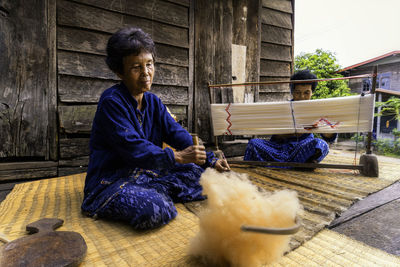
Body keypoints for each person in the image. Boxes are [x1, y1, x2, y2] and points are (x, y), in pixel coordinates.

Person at [81, 27, 230, 230]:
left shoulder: (153, 102)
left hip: (147, 174)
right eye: (136, 67)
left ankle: (154, 189)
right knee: (156, 209)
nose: (146, 73)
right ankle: (150, 194)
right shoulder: (111, 102)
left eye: (149, 64)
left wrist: (210, 160)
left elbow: (176, 133)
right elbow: (134, 148)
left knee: (203, 177)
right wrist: (177, 157)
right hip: (112, 182)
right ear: (119, 71)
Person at [243, 70, 337, 167]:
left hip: (302, 147)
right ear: (292, 92)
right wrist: (292, 132)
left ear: (312, 92)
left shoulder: (317, 109)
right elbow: (276, 135)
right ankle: (301, 163)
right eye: (298, 92)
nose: (302, 97)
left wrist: (325, 130)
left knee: (321, 145)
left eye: (306, 93)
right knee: (253, 143)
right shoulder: (284, 108)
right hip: (279, 148)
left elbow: (329, 137)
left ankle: (296, 161)